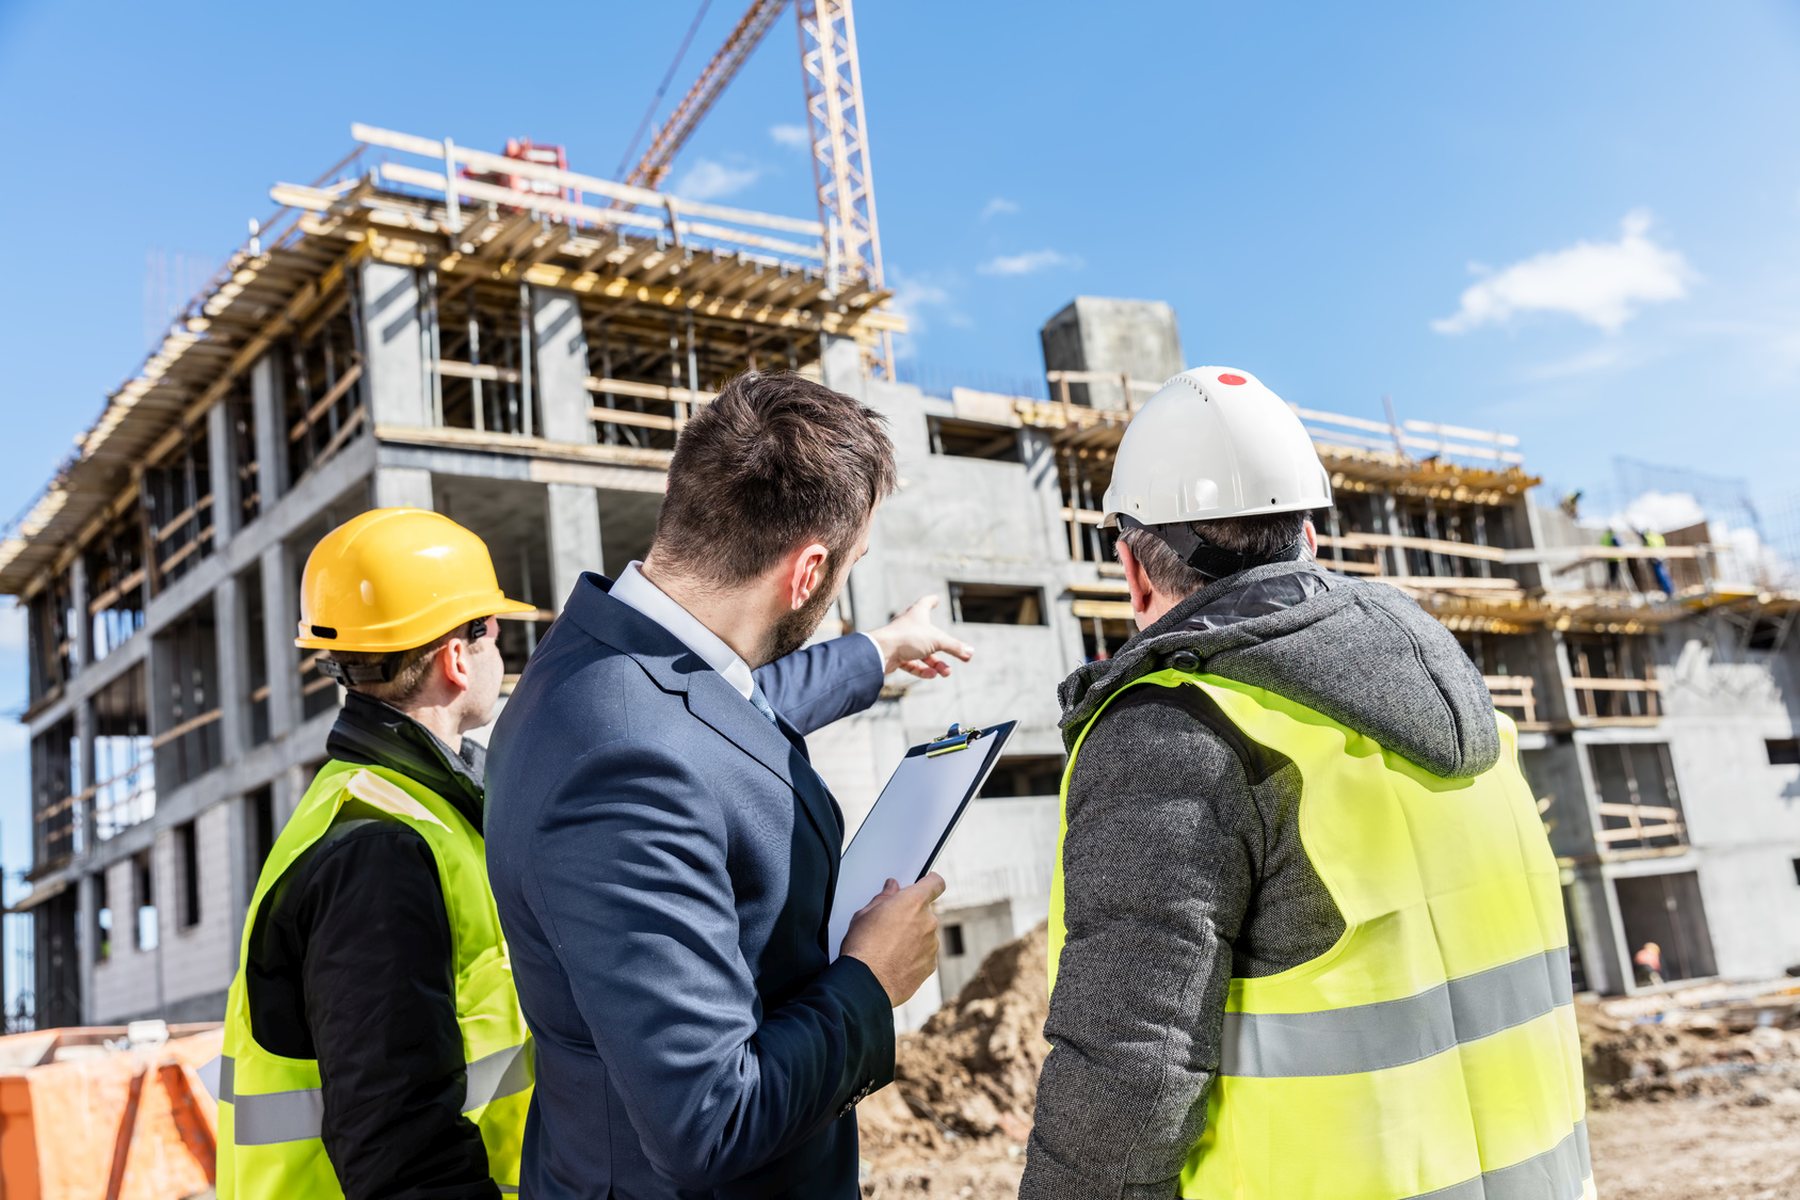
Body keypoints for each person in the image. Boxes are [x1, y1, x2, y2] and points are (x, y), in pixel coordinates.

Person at [1023, 368, 1591, 1200]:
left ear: (1135, 572)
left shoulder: (1178, 733)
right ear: (1310, 542)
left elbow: (1123, 1078)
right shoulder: (1467, 711)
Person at [486, 371, 973, 1197]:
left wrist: (876, 652)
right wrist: (870, 979)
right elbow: (709, 1120)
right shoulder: (622, 766)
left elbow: (730, 710)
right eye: (850, 566)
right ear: (808, 571)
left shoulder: (610, 659)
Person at [217, 507, 540, 1199]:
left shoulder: (412, 809)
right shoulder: (379, 850)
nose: (500, 648)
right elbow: (399, 1153)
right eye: (490, 629)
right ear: (457, 657)